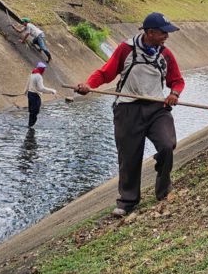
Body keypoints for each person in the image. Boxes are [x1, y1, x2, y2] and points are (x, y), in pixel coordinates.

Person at [75, 12, 185, 217]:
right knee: (129, 158)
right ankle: (127, 201)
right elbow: (105, 73)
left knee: (166, 145)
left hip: (156, 108)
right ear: (150, 32)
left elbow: (177, 80)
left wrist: (174, 93)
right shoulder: (126, 50)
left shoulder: (165, 55)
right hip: (127, 109)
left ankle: (164, 189)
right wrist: (89, 85)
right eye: (163, 33)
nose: (166, 37)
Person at [25, 62, 57, 127]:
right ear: (42, 69)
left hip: (30, 94)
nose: (44, 71)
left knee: (31, 111)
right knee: (35, 111)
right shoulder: (39, 76)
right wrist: (52, 91)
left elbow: (27, 83)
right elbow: (41, 88)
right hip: (35, 95)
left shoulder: (32, 74)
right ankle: (31, 126)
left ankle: (30, 125)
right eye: (43, 69)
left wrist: (25, 91)